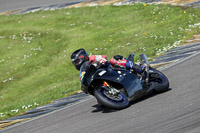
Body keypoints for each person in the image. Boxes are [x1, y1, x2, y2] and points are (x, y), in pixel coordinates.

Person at [71, 48, 144, 73]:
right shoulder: (83, 69)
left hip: (109, 68)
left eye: (77, 62)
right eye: (75, 63)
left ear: (82, 57)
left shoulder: (92, 58)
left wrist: (102, 61)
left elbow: (104, 57)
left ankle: (138, 68)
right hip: (100, 76)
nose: (77, 64)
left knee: (114, 61)